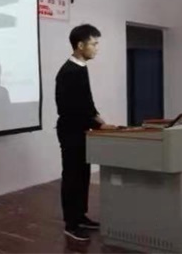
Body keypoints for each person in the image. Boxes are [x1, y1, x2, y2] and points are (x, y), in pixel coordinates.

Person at [55, 24, 116, 242]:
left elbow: (87, 103)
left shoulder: (81, 68)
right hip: (71, 131)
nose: (97, 48)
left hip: (82, 130)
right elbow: (71, 108)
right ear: (80, 45)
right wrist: (98, 124)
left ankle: (80, 216)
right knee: (72, 177)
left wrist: (100, 121)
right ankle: (71, 224)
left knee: (83, 175)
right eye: (94, 44)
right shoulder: (69, 71)